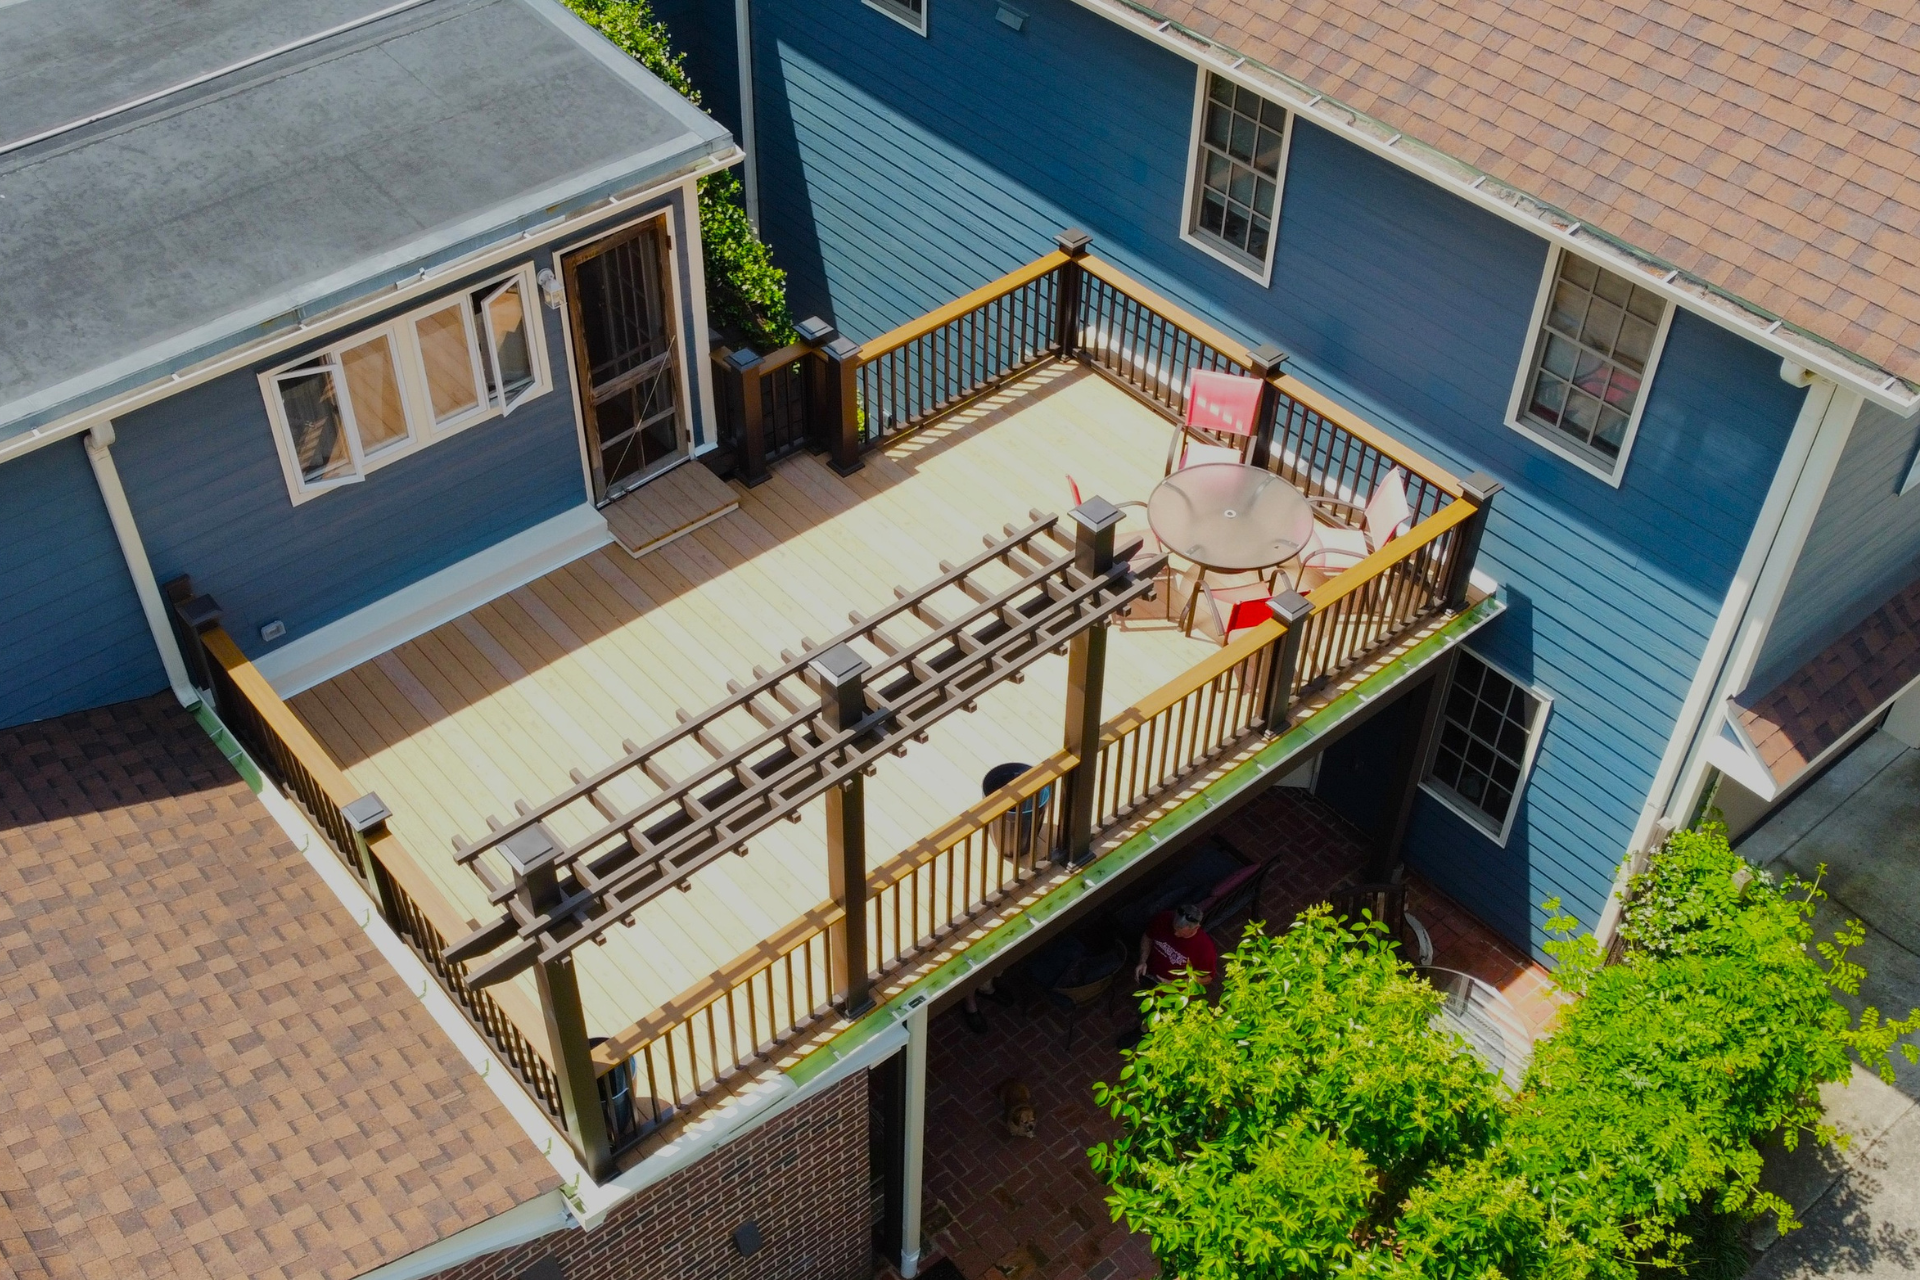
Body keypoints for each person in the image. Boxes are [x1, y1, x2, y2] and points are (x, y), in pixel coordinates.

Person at [1119, 903, 1217, 1048]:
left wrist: (1175, 983)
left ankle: (1145, 1035)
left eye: (1181, 933)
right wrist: (1143, 961)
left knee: (1160, 1014)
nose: (1175, 934)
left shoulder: (1204, 948)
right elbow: (1147, 936)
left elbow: (1207, 978)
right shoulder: (1163, 919)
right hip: (1152, 978)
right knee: (1146, 1007)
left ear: (1196, 928)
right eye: (1174, 929)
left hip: (1174, 993)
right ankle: (1144, 1029)